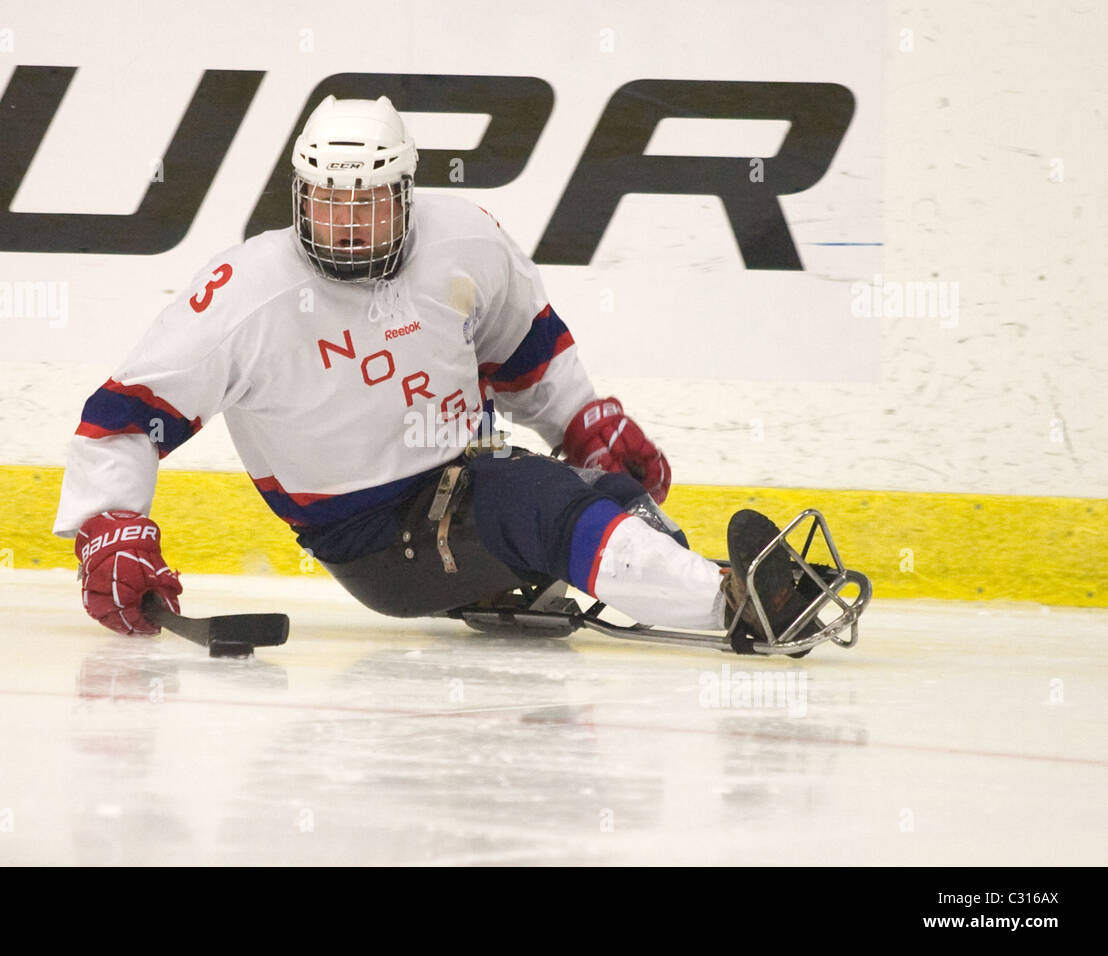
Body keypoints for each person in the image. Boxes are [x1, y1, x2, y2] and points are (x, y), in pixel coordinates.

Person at [53, 96, 811, 649]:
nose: (347, 227)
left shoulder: (466, 243)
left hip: (466, 472)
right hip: (370, 540)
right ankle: (736, 606)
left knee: (589, 492)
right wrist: (110, 526)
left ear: (406, 194)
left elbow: (528, 351)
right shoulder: (247, 296)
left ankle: (717, 579)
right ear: (298, 196)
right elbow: (123, 418)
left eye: (370, 204)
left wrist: (584, 423)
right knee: (535, 498)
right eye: (326, 204)